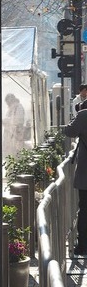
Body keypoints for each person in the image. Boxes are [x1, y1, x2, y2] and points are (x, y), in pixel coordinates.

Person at [63, 108, 87, 255]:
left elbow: (69, 131)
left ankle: (83, 244)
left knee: (84, 208)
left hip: (86, 173)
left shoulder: (84, 115)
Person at [3, 93, 25, 158]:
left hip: (16, 135)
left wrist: (5, 121)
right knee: (10, 153)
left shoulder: (18, 107)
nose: (7, 104)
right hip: (11, 135)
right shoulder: (11, 108)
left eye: (8, 102)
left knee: (16, 153)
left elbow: (18, 120)